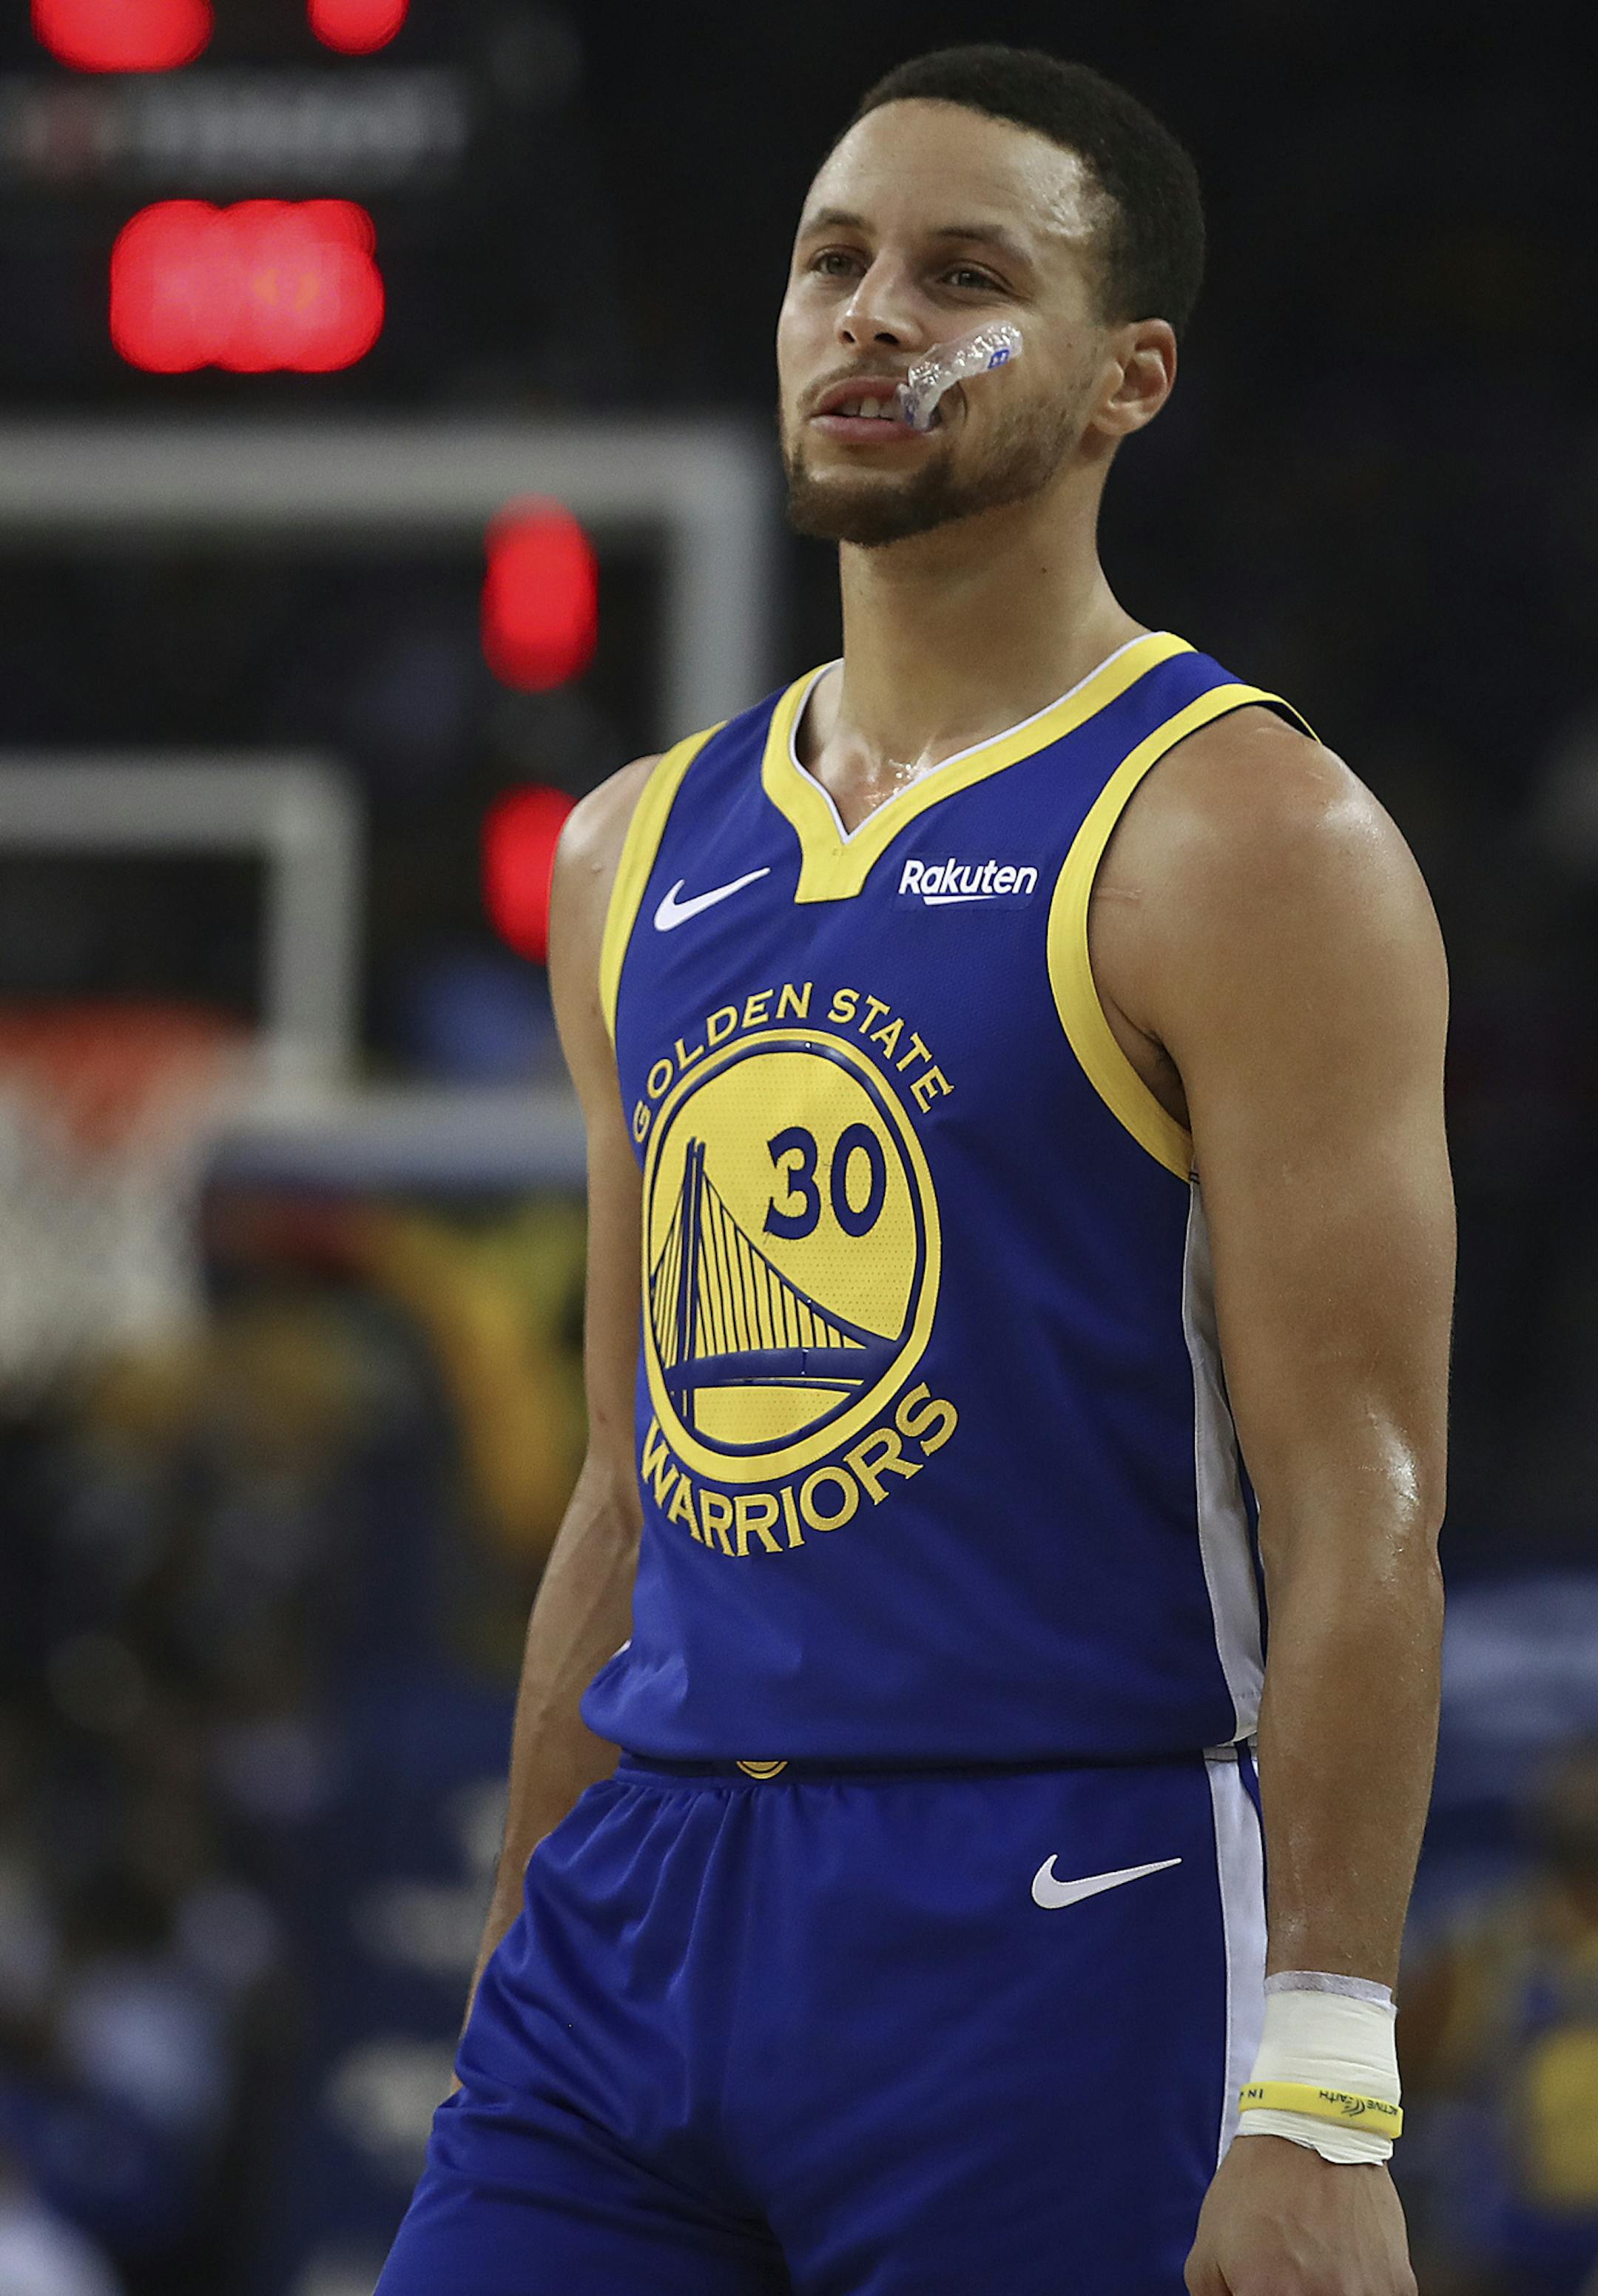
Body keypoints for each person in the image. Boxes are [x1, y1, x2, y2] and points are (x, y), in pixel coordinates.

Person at [376, 43, 1453, 2296]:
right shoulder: (629, 848)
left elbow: (1358, 1499)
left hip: (1053, 1907)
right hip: (642, 1914)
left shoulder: (1246, 837)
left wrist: (1325, 2089)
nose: (870, 316)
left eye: (963, 275)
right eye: (829, 263)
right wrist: (519, 1931)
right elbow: (626, 1477)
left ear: (1122, 377)